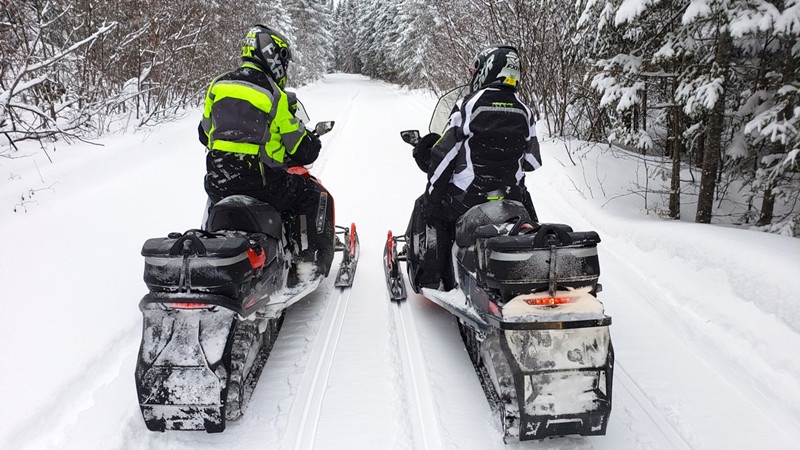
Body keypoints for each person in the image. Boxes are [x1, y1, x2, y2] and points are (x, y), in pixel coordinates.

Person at [198, 24, 334, 280]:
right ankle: (306, 263)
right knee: (311, 193)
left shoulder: (217, 86)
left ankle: (210, 242)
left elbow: (204, 132)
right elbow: (299, 147)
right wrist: (312, 144)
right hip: (260, 184)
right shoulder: (274, 94)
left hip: (218, 183)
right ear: (272, 55)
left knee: (216, 194)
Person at [409, 45, 542, 291]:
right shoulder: (525, 110)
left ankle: (435, 276)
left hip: (468, 198)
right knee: (526, 203)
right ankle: (534, 257)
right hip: (509, 198)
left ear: (487, 71)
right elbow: (532, 162)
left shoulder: (468, 105)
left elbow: (443, 154)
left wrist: (432, 197)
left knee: (427, 207)